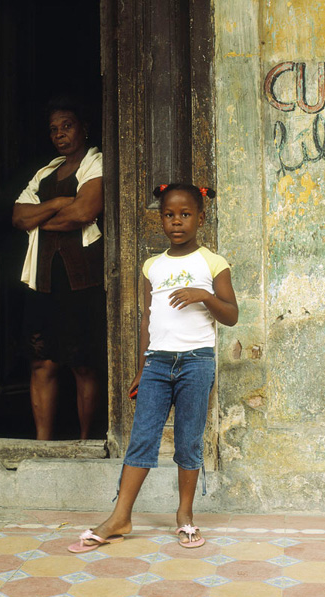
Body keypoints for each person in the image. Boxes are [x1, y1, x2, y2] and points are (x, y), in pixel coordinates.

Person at [68, 183, 238, 552]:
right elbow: (149, 318)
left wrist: (204, 295)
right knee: (142, 439)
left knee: (188, 441)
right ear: (160, 219)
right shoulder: (153, 266)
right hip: (158, 364)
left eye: (185, 215)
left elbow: (231, 315)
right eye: (169, 215)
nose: (177, 222)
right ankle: (120, 517)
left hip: (196, 363)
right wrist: (143, 366)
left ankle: (185, 515)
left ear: (200, 219)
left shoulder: (213, 263)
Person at [12, 96, 105, 440]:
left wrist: (41, 220)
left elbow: (84, 212)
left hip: (82, 279)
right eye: (53, 129)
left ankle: (85, 442)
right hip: (44, 279)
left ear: (84, 128)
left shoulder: (96, 162)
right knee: (42, 362)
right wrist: (57, 203)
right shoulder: (45, 173)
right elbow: (18, 217)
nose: (60, 134)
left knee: (83, 363)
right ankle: (43, 445)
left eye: (67, 126)